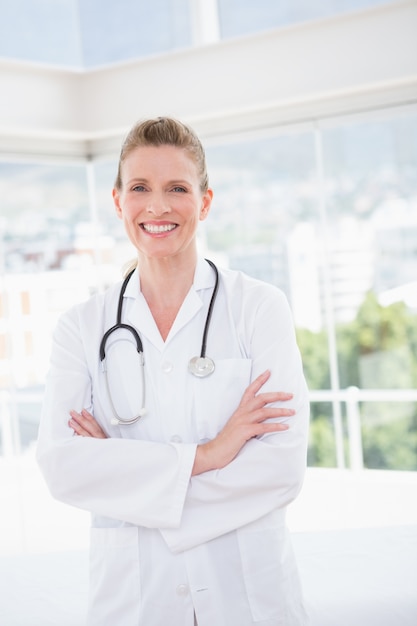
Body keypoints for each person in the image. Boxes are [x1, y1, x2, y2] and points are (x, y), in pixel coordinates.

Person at [37, 116, 310, 626]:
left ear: (205, 202)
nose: (157, 206)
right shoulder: (81, 328)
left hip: (248, 599)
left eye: (177, 188)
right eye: (140, 187)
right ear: (118, 201)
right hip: (135, 603)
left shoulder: (258, 308)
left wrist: (126, 476)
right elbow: (63, 466)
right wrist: (209, 455)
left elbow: (280, 469)